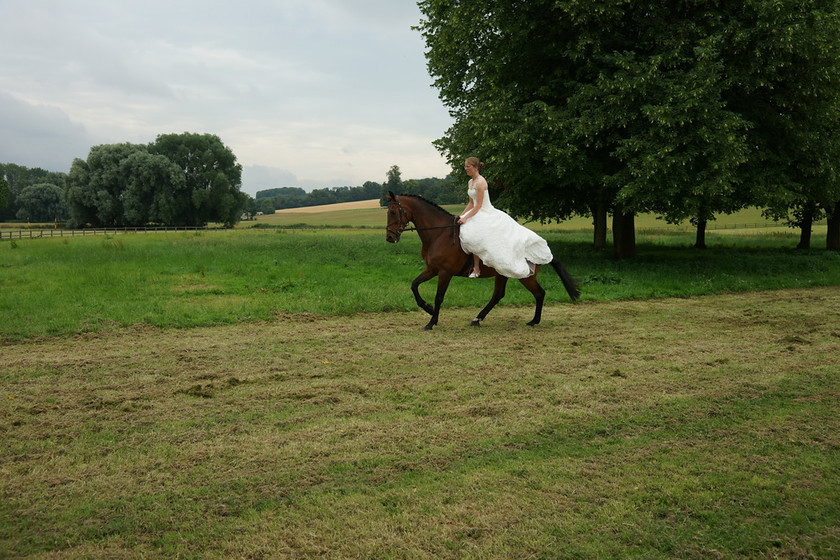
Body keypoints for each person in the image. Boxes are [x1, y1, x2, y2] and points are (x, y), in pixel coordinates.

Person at [457, 157, 553, 279]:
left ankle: (477, 268)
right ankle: (474, 266)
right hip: (475, 211)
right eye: (465, 167)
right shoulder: (470, 182)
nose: (466, 169)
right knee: (467, 232)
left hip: (484, 212)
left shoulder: (481, 182)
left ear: (475, 167)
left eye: (468, 166)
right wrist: (461, 215)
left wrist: (466, 218)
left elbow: (479, 205)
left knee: (475, 234)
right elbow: (471, 203)